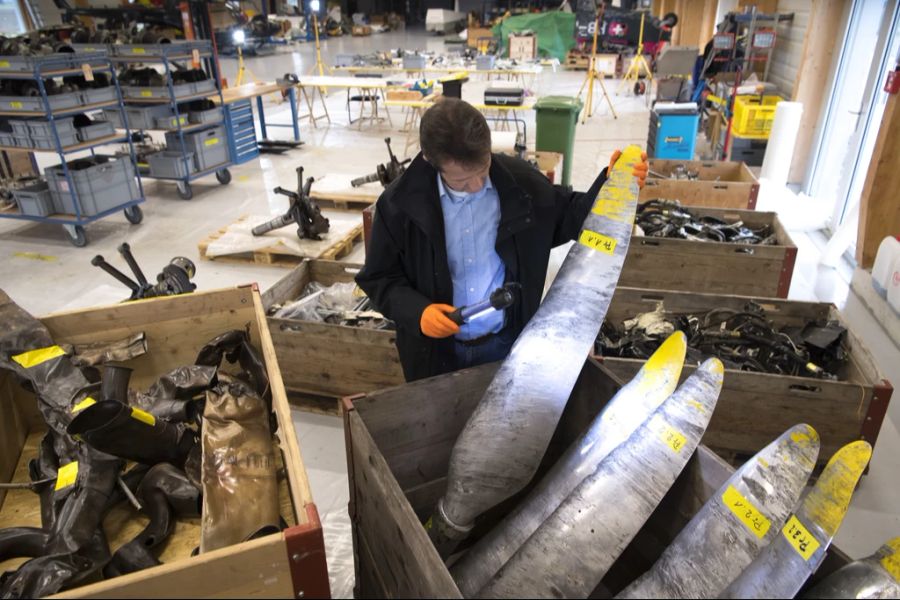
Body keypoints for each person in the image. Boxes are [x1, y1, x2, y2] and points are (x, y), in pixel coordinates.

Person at [356, 98, 647, 382]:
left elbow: (572, 215)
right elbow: (380, 278)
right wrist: (418, 312)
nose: (478, 185)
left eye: (482, 170)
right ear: (431, 161)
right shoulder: (398, 207)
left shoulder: (519, 185)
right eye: (462, 181)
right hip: (435, 358)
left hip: (506, 347)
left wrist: (613, 183)